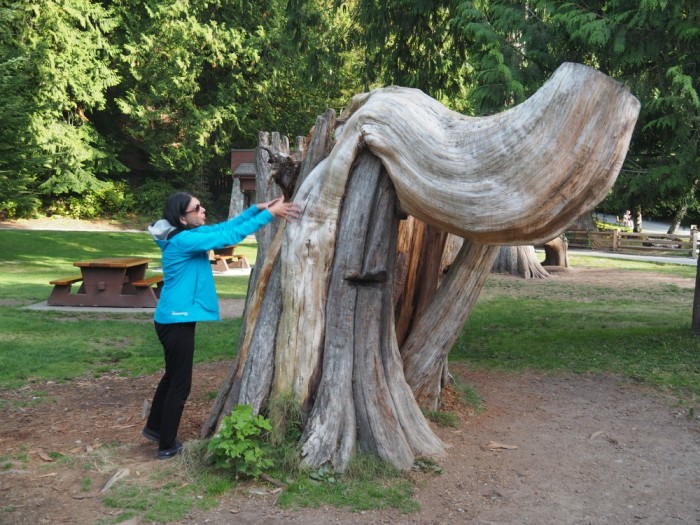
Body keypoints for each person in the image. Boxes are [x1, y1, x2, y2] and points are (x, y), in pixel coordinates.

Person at [142, 192, 301, 459]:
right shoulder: (184, 241)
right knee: (180, 384)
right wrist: (269, 215)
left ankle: (156, 429)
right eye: (197, 208)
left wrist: (255, 210)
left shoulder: (182, 236)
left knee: (171, 377)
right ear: (183, 218)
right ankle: (167, 445)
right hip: (175, 321)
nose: (203, 210)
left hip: (173, 319)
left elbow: (223, 228)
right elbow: (227, 238)